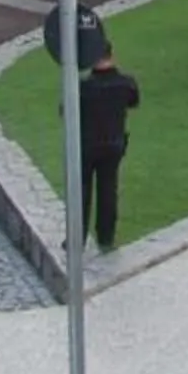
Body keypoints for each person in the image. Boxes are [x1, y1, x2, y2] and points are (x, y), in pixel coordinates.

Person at [76, 52, 141, 253]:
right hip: (113, 145)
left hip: (86, 146)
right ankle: (106, 238)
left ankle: (77, 239)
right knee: (108, 190)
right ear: (112, 56)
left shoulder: (84, 87)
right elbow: (134, 101)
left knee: (81, 192)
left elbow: (67, 111)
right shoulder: (126, 83)